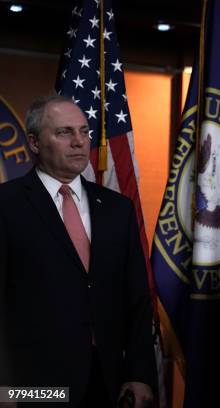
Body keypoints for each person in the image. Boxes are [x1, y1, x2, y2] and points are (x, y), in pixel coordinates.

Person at [0, 95, 156, 407]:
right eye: (64, 132)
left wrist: (140, 373)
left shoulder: (117, 209)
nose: (79, 142)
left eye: (84, 132)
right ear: (33, 142)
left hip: (107, 381)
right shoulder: (7, 204)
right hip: (33, 387)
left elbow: (136, 297)